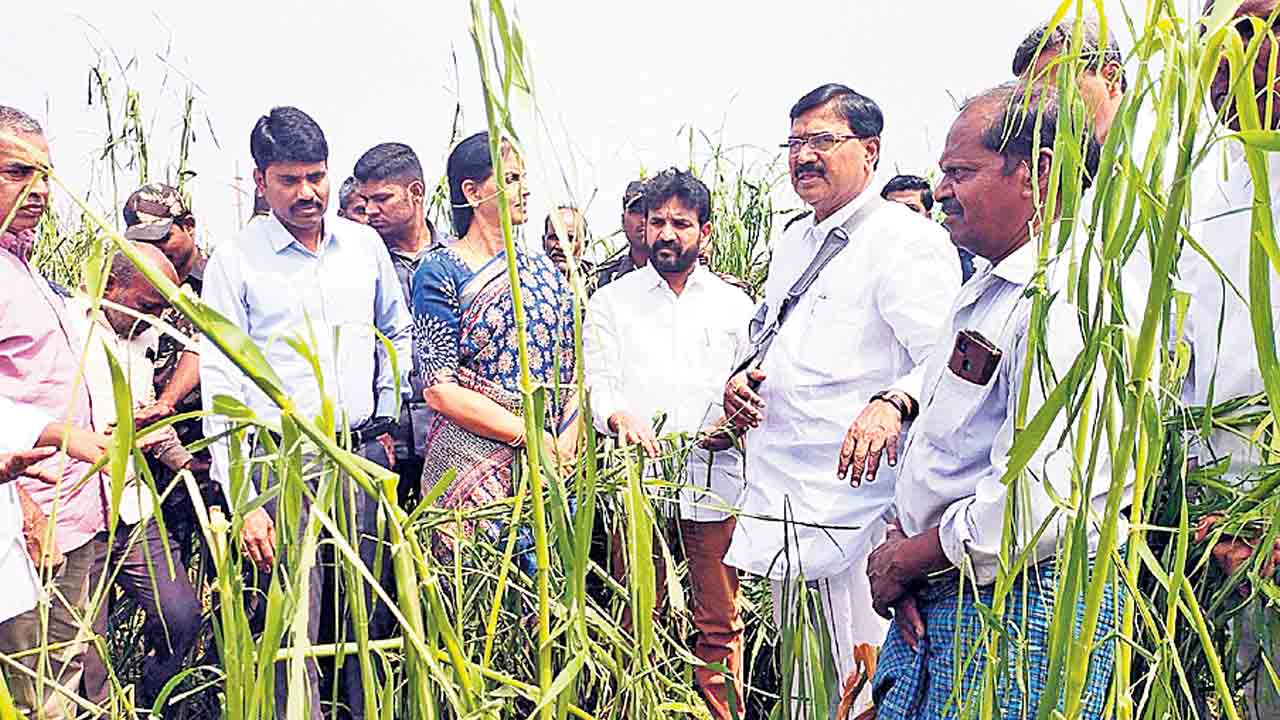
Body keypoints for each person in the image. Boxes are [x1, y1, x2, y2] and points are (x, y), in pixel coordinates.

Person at [844, 82, 1121, 719]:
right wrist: (908, 555)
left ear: (1038, 174)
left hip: (1017, 613)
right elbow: (947, 444)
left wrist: (907, 558)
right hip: (947, 594)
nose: (940, 191)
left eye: (960, 172)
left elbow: (1039, 501)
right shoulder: (989, 290)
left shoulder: (1067, 301)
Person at [720, 84, 961, 715]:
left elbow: (943, 358)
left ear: (869, 149)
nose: (804, 156)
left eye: (822, 141)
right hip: (785, 496)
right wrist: (741, 381)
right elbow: (772, 336)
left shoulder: (905, 241)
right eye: (795, 142)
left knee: (865, 678)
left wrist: (894, 402)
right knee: (807, 684)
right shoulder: (795, 241)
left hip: (859, 505)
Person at [200, 106, 413, 720]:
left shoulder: (364, 246)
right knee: (293, 620)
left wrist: (385, 417)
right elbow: (221, 383)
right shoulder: (235, 262)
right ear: (261, 179)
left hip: (362, 456)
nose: (308, 193)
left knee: (365, 617)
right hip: (278, 462)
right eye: (290, 180)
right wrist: (245, 501)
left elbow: (395, 332)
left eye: (317, 176)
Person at [584, 168, 753, 719]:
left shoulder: (735, 306)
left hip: (715, 477)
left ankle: (720, 712)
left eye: (680, 222)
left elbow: (752, 380)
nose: (666, 233)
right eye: (657, 221)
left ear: (704, 230)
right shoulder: (611, 302)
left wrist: (734, 423)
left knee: (719, 617)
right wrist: (620, 417)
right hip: (637, 481)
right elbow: (599, 382)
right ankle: (639, 709)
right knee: (638, 613)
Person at [1180, 2, 1280, 715]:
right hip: (1219, 543)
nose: (1229, 55)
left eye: (1251, 29)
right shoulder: (1209, 196)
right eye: (1216, 36)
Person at [413, 131, 579, 551]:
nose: (524, 190)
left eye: (523, 177)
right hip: (470, 461)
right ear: (471, 191)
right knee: (475, 596)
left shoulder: (542, 271)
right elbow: (439, 388)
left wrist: (562, 443)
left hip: (551, 468)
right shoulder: (439, 271)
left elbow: (575, 368)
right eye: (510, 178)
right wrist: (527, 435)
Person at [0, 104, 113, 719]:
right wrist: (22, 509)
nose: (42, 191)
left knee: (66, 678)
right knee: (41, 693)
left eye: (47, 175)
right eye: (20, 173)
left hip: (76, 511)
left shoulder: (23, 268)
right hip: (28, 527)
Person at [72, 244, 202, 709]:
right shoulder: (70, 328)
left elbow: (146, 418)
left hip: (133, 509)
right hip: (76, 513)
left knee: (181, 615)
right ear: (109, 287)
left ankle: (154, 700)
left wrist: (187, 462)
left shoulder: (143, 338)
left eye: (161, 309)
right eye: (146, 306)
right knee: (86, 645)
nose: (154, 318)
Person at [354, 142, 444, 505]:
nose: (370, 211)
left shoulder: (456, 259)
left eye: (382, 199)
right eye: (364, 202)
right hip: (382, 439)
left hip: (447, 433)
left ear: (416, 192)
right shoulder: (358, 265)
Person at [1012, 15, 1126, 141]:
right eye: (1030, 100)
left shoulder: (1147, 150)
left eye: (1057, 91)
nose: (1041, 112)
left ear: (1111, 78)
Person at [881, 174, 976, 282]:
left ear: (928, 217)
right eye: (893, 210)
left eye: (911, 209)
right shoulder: (866, 256)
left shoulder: (954, 261)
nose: (902, 217)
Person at [594, 179, 648, 290]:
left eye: (650, 211)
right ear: (623, 222)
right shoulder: (604, 278)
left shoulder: (680, 274)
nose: (643, 219)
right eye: (636, 211)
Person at [542, 205, 594, 280]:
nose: (560, 246)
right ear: (544, 243)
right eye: (554, 238)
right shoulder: (529, 281)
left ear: (584, 246)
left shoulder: (600, 282)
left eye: (570, 239)